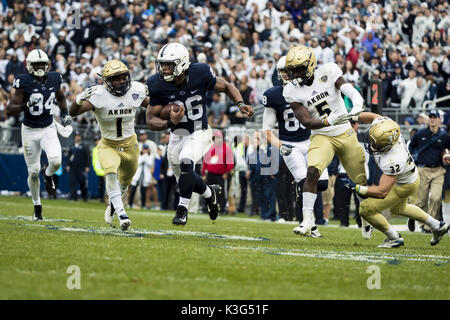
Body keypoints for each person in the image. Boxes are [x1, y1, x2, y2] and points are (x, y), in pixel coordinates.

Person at [146, 42, 254, 226]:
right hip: (177, 133)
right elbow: (150, 120)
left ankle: (182, 210)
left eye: (168, 65)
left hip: (200, 131)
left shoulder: (200, 72)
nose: (164, 69)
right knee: (186, 178)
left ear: (181, 64)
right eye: (162, 64)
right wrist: (169, 122)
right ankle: (210, 194)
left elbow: (227, 86)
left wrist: (240, 103)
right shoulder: (157, 84)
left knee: (187, 161)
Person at [282, 46, 369, 237]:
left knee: (359, 180)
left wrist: (356, 102)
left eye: (297, 69)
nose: (293, 74)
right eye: (292, 70)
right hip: (322, 135)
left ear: (310, 65)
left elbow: (348, 89)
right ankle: (306, 221)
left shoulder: (328, 71)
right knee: (312, 172)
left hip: (344, 132)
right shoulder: (291, 91)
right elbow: (305, 121)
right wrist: (328, 121)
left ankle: (366, 215)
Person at [343, 112, 449, 248]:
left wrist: (357, 188)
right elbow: (373, 117)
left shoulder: (393, 160)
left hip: (404, 184)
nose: (371, 144)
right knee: (399, 208)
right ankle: (437, 226)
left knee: (366, 209)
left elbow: (382, 191)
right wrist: (351, 116)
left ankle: (394, 237)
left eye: (375, 144)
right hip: (409, 176)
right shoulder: (385, 127)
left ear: (386, 146)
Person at [69, 59, 148, 231]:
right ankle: (122, 214)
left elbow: (155, 107)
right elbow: (73, 112)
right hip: (108, 144)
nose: (121, 81)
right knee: (110, 172)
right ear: (106, 81)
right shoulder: (98, 95)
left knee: (125, 181)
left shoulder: (136, 90)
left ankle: (113, 205)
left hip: (130, 144)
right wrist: (79, 98)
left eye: (122, 77)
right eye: (116, 78)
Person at [262, 56, 329, 236]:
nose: (286, 75)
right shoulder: (273, 95)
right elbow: (266, 130)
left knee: (321, 183)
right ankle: (310, 224)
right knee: (303, 181)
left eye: (289, 70)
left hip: (312, 140)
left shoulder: (310, 90)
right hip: (290, 144)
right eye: (283, 71)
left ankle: (309, 221)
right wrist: (279, 145)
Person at [6, 49, 72, 220]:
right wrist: (26, 105)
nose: (41, 67)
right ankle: (37, 206)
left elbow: (61, 97)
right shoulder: (23, 81)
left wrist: (64, 113)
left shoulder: (54, 78)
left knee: (56, 162)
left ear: (48, 64)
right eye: (37, 64)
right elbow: (9, 109)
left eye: (43, 64)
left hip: (48, 127)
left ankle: (48, 173)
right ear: (29, 66)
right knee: (33, 171)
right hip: (29, 131)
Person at [408, 109, 450, 232]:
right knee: (421, 201)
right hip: (423, 169)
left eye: (434, 117)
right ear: (428, 119)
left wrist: (447, 157)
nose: (432, 119)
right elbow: (411, 146)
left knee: (436, 198)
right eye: (430, 117)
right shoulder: (420, 134)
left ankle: (428, 227)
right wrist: (412, 159)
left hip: (438, 170)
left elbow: (448, 149)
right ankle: (417, 219)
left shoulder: (445, 136)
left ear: (439, 120)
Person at [202, 130, 235, 215]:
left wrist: (226, 173)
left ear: (221, 138)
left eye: (218, 137)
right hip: (210, 174)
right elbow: (205, 161)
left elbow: (230, 162)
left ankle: (222, 209)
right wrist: (203, 173)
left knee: (221, 193)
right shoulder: (210, 147)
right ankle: (208, 209)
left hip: (220, 175)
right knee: (208, 192)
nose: (217, 139)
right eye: (215, 137)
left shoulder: (226, 148)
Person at [128, 143, 154, 209]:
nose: (145, 150)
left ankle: (143, 205)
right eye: (144, 149)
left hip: (145, 176)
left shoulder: (150, 156)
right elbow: (138, 163)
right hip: (137, 176)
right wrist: (143, 157)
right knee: (133, 190)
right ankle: (129, 204)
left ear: (148, 150)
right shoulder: (138, 156)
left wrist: (145, 156)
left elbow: (150, 164)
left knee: (143, 191)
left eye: (146, 149)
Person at [66, 131, 90, 201]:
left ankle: (84, 196)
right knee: (72, 182)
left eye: (78, 136)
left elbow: (88, 157)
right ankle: (73, 197)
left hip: (81, 167)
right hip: (73, 167)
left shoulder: (84, 146)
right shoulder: (72, 146)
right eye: (76, 136)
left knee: (82, 182)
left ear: (80, 137)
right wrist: (68, 165)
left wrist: (87, 166)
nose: (77, 137)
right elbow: (69, 156)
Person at [92, 135, 105, 202]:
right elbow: (94, 160)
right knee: (100, 185)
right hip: (99, 170)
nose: (97, 142)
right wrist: (95, 168)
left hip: (105, 170)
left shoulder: (104, 148)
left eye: (98, 140)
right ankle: (101, 197)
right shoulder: (94, 149)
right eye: (96, 141)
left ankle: (106, 198)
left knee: (106, 185)